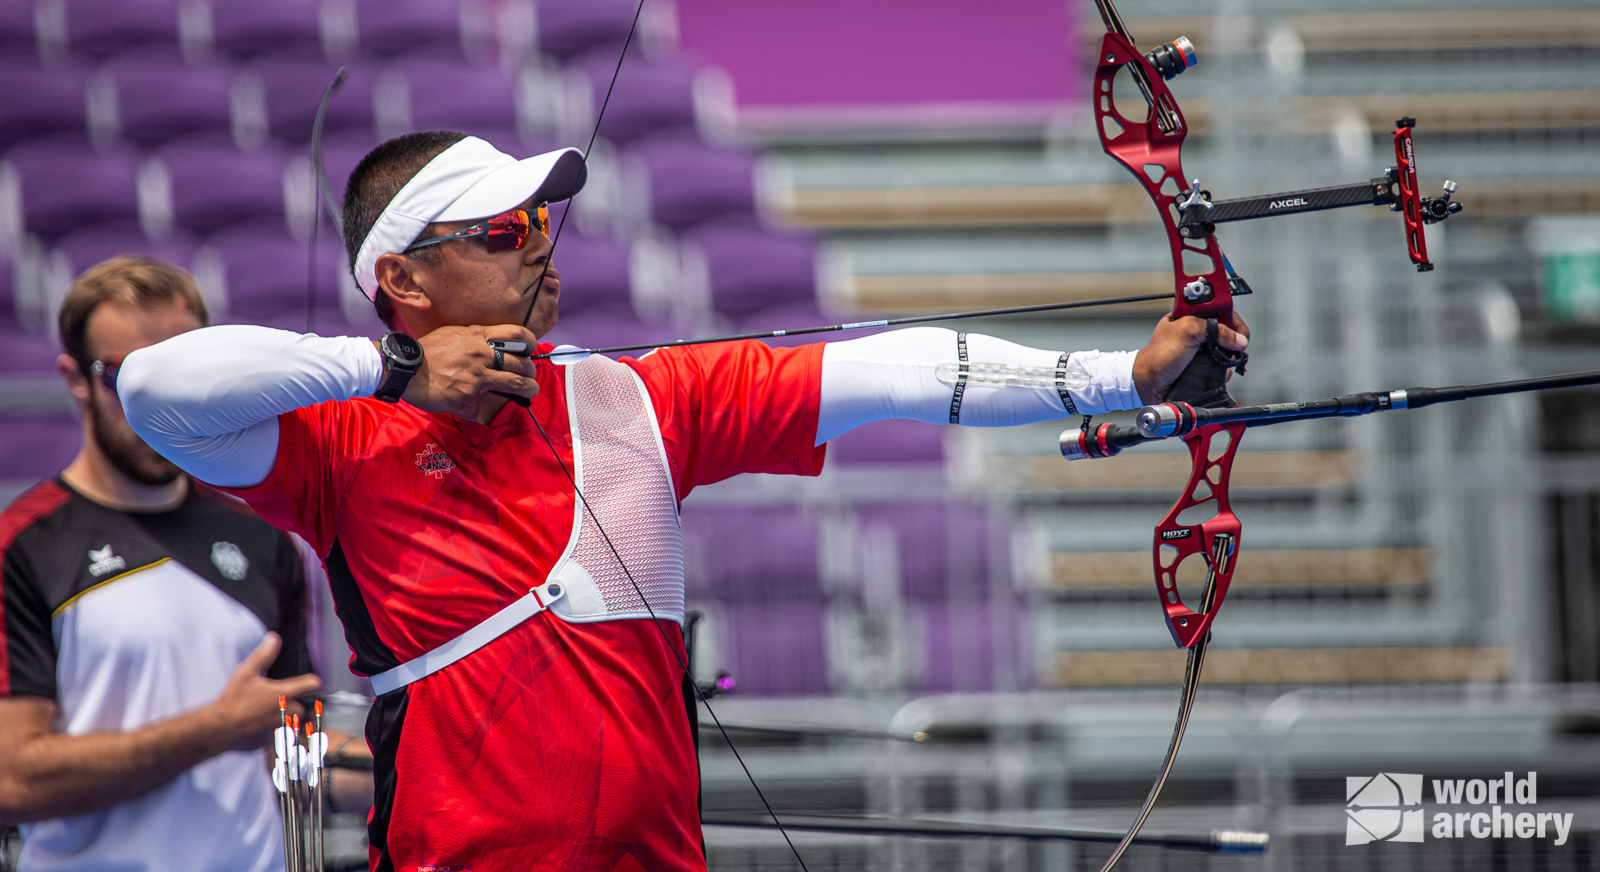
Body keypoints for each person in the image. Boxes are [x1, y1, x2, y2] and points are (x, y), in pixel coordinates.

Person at [118, 131, 1248, 871]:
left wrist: (1121, 374)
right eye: (504, 231)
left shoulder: (637, 400)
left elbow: (888, 370)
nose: (540, 246)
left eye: (542, 225)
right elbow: (154, 387)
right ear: (402, 279)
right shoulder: (338, 443)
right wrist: (396, 369)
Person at [0, 257, 368, 872]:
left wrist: (398, 767)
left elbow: (285, 748)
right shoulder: (22, 545)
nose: (157, 401)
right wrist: (216, 730)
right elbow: (11, 780)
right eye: (127, 376)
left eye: (177, 374)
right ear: (74, 379)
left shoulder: (263, 535)